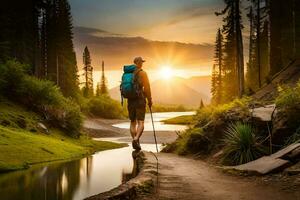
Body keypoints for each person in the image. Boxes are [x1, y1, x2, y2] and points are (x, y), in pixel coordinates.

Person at [128, 57, 152, 150]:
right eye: (142, 62)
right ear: (140, 63)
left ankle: (135, 141)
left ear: (134, 63)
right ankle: (136, 139)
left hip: (130, 100)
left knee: (132, 122)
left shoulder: (128, 74)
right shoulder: (143, 73)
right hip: (140, 100)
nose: (142, 63)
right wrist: (150, 100)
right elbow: (147, 88)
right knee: (140, 122)